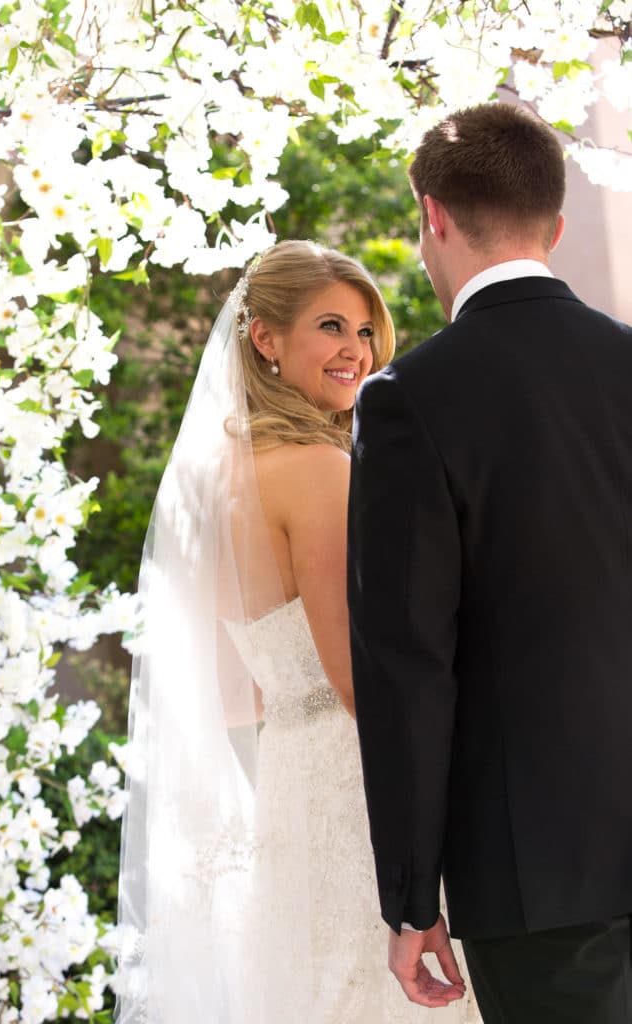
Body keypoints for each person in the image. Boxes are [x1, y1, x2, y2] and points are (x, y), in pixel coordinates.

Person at [114, 239, 480, 1023]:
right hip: (362, 791)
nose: (358, 350)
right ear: (265, 338)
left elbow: (237, 689)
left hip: (288, 782)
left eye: (364, 330)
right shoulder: (318, 466)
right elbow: (361, 677)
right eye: (330, 327)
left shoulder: (217, 476)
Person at [348, 101, 632, 1024]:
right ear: (554, 226)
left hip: (534, 870)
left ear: (432, 214)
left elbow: (408, 666)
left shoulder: (408, 401)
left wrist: (410, 898)